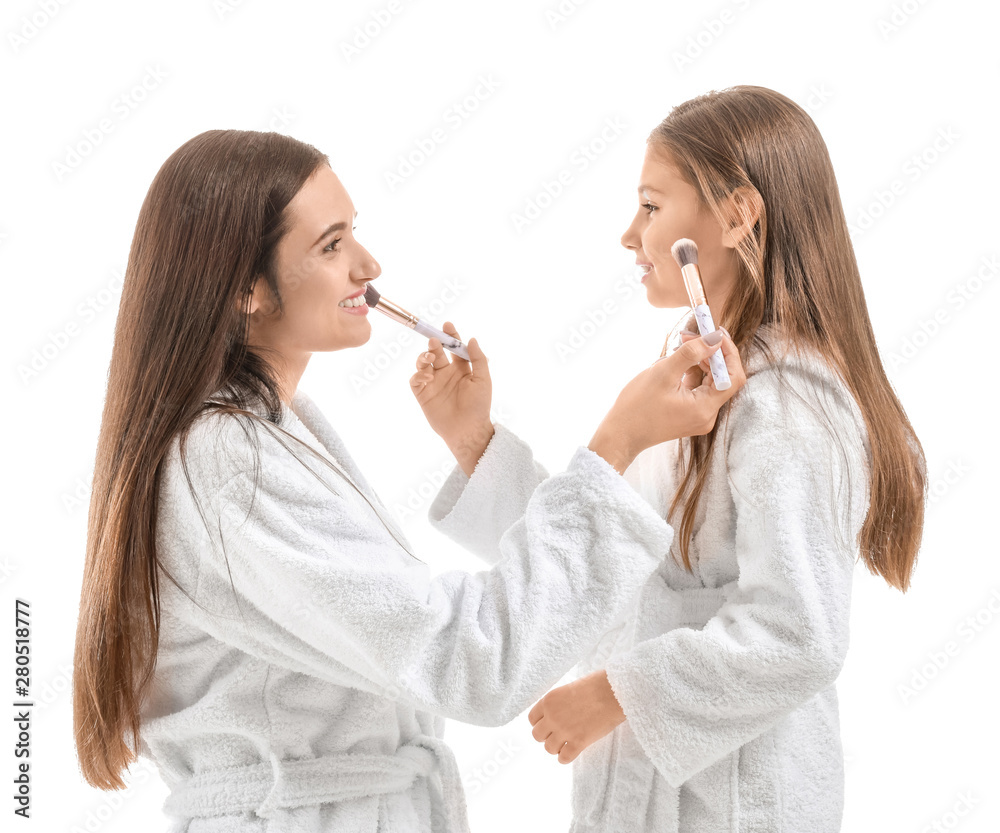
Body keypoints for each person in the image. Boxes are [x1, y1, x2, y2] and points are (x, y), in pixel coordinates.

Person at [71, 128, 745, 832]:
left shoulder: (278, 429)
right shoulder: (228, 460)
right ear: (246, 286)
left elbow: (460, 630)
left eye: (353, 233)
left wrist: (473, 442)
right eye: (331, 246)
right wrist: (617, 442)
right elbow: (471, 658)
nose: (369, 265)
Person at [414, 85, 927, 832]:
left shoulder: (787, 406)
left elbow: (800, 633)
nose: (630, 235)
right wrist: (473, 440)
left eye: (651, 207)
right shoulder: (696, 386)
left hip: (737, 807)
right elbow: (617, 567)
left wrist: (617, 694)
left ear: (736, 215)